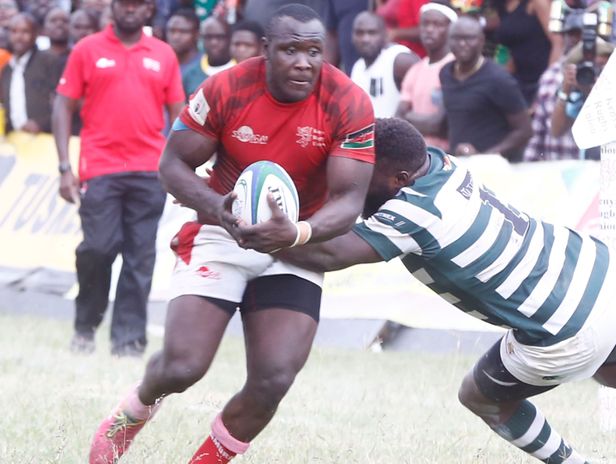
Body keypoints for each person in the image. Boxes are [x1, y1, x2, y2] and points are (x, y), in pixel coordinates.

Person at [274, 117, 616, 464]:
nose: (353, 182)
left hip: (565, 324)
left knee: (479, 396)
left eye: (362, 173)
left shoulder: (413, 212)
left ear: (395, 180)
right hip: (602, 274)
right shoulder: (438, 164)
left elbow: (328, 255)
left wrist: (263, 236)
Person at [86, 5, 375, 463]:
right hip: (223, 230)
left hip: (295, 243)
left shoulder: (348, 101)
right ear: (266, 50)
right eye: (291, 50)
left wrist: (296, 232)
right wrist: (216, 209)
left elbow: (349, 201)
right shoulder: (227, 86)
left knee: (274, 378)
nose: (304, 62)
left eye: (314, 51)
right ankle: (129, 417)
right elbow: (172, 164)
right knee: (183, 366)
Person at [52, 0, 185, 357]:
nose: (130, 9)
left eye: (137, 4)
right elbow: (63, 105)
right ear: (112, 7)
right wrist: (64, 167)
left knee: (140, 257)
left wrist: (180, 169)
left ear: (149, 10)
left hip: (149, 170)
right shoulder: (87, 49)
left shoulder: (163, 54)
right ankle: (86, 323)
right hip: (100, 168)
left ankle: (129, 341)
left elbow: (179, 116)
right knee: (98, 248)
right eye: (124, 3)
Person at [440, 15, 531, 162]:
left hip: (493, 167)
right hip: (459, 164)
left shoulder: (498, 79)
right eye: (456, 38)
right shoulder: (446, 73)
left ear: (482, 40)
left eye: (469, 38)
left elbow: (524, 131)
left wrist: (484, 157)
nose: (462, 44)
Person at [524, 10, 583, 162]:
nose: (577, 39)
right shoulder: (551, 75)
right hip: (556, 166)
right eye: (572, 34)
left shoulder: (604, 72)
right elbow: (539, 127)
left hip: (592, 168)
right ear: (564, 36)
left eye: (582, 34)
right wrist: (529, 164)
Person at [395, 1, 455, 150]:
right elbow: (399, 119)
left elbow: (440, 125)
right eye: (425, 24)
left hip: (446, 155)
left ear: (451, 29)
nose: (429, 29)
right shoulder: (415, 69)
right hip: (417, 155)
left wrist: (409, 117)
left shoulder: (455, 67)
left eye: (437, 24)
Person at [351, 11, 419, 118]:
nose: (365, 39)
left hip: (398, 127)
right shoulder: (357, 67)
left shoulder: (398, 59)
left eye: (372, 33)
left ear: (386, 35)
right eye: (360, 33)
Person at [1, 13, 59, 135]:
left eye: (25, 31)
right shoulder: (7, 69)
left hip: (46, 137)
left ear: (35, 34)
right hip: (14, 138)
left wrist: (41, 123)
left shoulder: (49, 61)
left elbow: (63, 102)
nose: (19, 37)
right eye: (14, 31)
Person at [491, 0, 553, 104]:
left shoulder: (536, 3)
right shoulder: (503, 6)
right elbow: (513, 48)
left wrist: (549, 83)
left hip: (542, 79)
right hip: (519, 81)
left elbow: (558, 43)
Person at [182, 16, 235, 97]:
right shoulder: (190, 74)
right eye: (208, 37)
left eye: (220, 37)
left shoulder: (242, 69)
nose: (214, 42)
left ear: (230, 38)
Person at [165, 7, 201, 77]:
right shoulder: (160, 63)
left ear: (197, 34)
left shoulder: (205, 65)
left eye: (183, 31)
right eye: (172, 31)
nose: (176, 37)